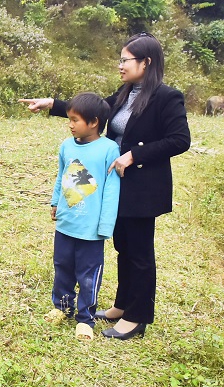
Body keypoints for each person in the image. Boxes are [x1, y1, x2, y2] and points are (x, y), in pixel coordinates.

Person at [20, 32, 191, 340]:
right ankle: (123, 305)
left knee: (139, 252)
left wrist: (134, 155)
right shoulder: (126, 93)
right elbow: (95, 110)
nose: (120, 65)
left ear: (145, 62)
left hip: (143, 188)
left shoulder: (167, 97)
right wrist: (53, 104)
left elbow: (180, 140)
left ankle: (137, 318)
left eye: (125, 60)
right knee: (123, 247)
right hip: (118, 185)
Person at [44, 92, 120, 341]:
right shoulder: (66, 146)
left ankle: (85, 318)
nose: (70, 124)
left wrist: (105, 224)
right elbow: (61, 176)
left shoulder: (109, 149)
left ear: (94, 122)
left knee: (88, 274)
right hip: (66, 224)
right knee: (62, 267)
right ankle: (62, 307)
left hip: (91, 229)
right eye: (69, 119)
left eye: (75, 119)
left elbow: (111, 189)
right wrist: (55, 202)